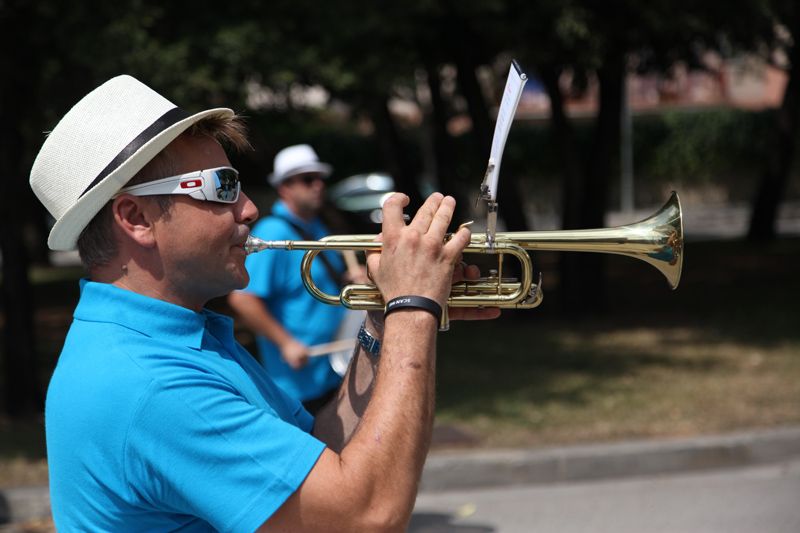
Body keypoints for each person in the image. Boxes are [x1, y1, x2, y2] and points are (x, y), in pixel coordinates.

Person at [30, 74, 499, 532]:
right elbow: (364, 518)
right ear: (136, 218)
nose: (250, 208)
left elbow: (320, 450)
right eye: (222, 187)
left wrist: (381, 324)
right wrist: (413, 309)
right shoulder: (153, 383)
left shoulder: (169, 340)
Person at [227, 144, 359, 414]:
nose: (318, 185)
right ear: (284, 187)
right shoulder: (272, 233)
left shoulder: (318, 228)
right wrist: (286, 343)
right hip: (298, 387)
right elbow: (243, 299)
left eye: (320, 178)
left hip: (333, 371)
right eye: (308, 179)